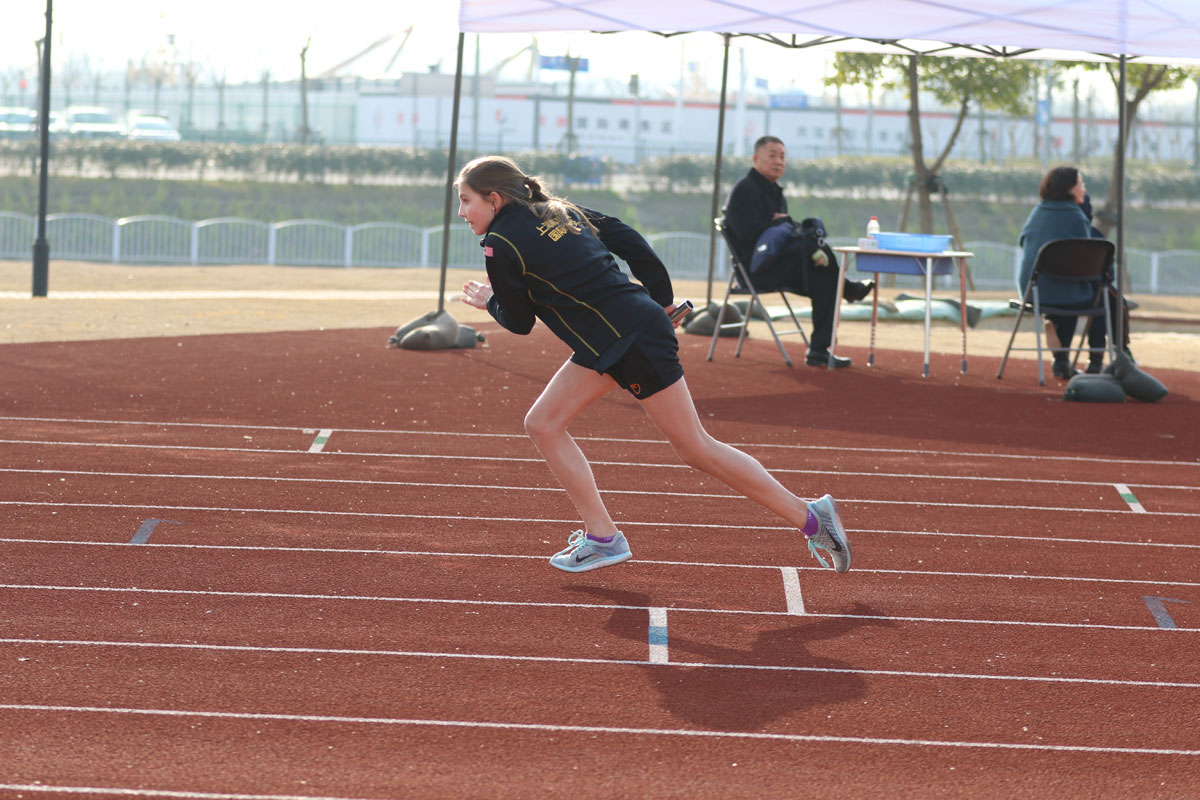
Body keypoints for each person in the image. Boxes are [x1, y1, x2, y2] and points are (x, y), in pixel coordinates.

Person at [456, 154, 854, 575]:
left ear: (494, 200)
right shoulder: (559, 210)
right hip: (618, 336)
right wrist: (661, 297)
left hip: (628, 341)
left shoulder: (499, 243)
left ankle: (813, 519)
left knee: (697, 448)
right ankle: (602, 537)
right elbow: (627, 238)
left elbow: (518, 322)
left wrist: (489, 301)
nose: (463, 212)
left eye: (466, 201)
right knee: (543, 423)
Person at [723, 135, 873, 368]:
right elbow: (745, 233)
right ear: (756, 158)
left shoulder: (776, 192)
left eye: (782, 156)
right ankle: (850, 288)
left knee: (827, 281)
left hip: (780, 264)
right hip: (757, 269)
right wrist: (779, 223)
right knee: (812, 241)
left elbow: (779, 234)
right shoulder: (745, 188)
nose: (778, 161)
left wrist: (785, 224)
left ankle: (819, 351)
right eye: (772, 155)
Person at [1018, 166, 1129, 378]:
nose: (1084, 189)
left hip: (1034, 291)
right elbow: (1086, 262)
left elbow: (1024, 243)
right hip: (1065, 290)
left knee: (1068, 288)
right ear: (1069, 188)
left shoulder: (1037, 212)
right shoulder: (1076, 217)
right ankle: (1097, 361)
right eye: (1081, 184)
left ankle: (1061, 362)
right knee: (1101, 295)